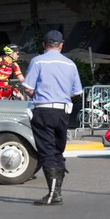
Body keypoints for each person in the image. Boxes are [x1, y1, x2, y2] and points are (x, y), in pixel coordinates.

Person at [22, 30, 82, 206]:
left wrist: (40, 95)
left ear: (44, 45)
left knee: (47, 151)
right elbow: (76, 91)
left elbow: (27, 87)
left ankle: (53, 195)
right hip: (62, 111)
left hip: (43, 110)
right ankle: (57, 192)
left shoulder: (38, 61)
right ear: (61, 45)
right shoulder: (70, 64)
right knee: (58, 150)